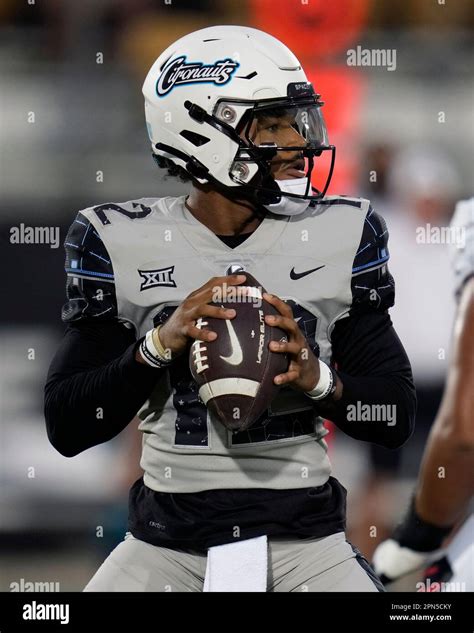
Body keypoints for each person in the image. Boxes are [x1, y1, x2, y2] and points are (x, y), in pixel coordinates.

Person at [44, 25, 416, 592]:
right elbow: (68, 426)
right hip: (164, 546)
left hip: (307, 547)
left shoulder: (343, 231)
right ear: (200, 130)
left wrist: (321, 384)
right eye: (271, 124)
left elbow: (394, 419)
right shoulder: (118, 239)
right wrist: (155, 347)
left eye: (296, 119)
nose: (299, 139)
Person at [373, 198, 474, 591]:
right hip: (415, 380)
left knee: (427, 602)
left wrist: (419, 533)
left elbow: (465, 433)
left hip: (433, 387)